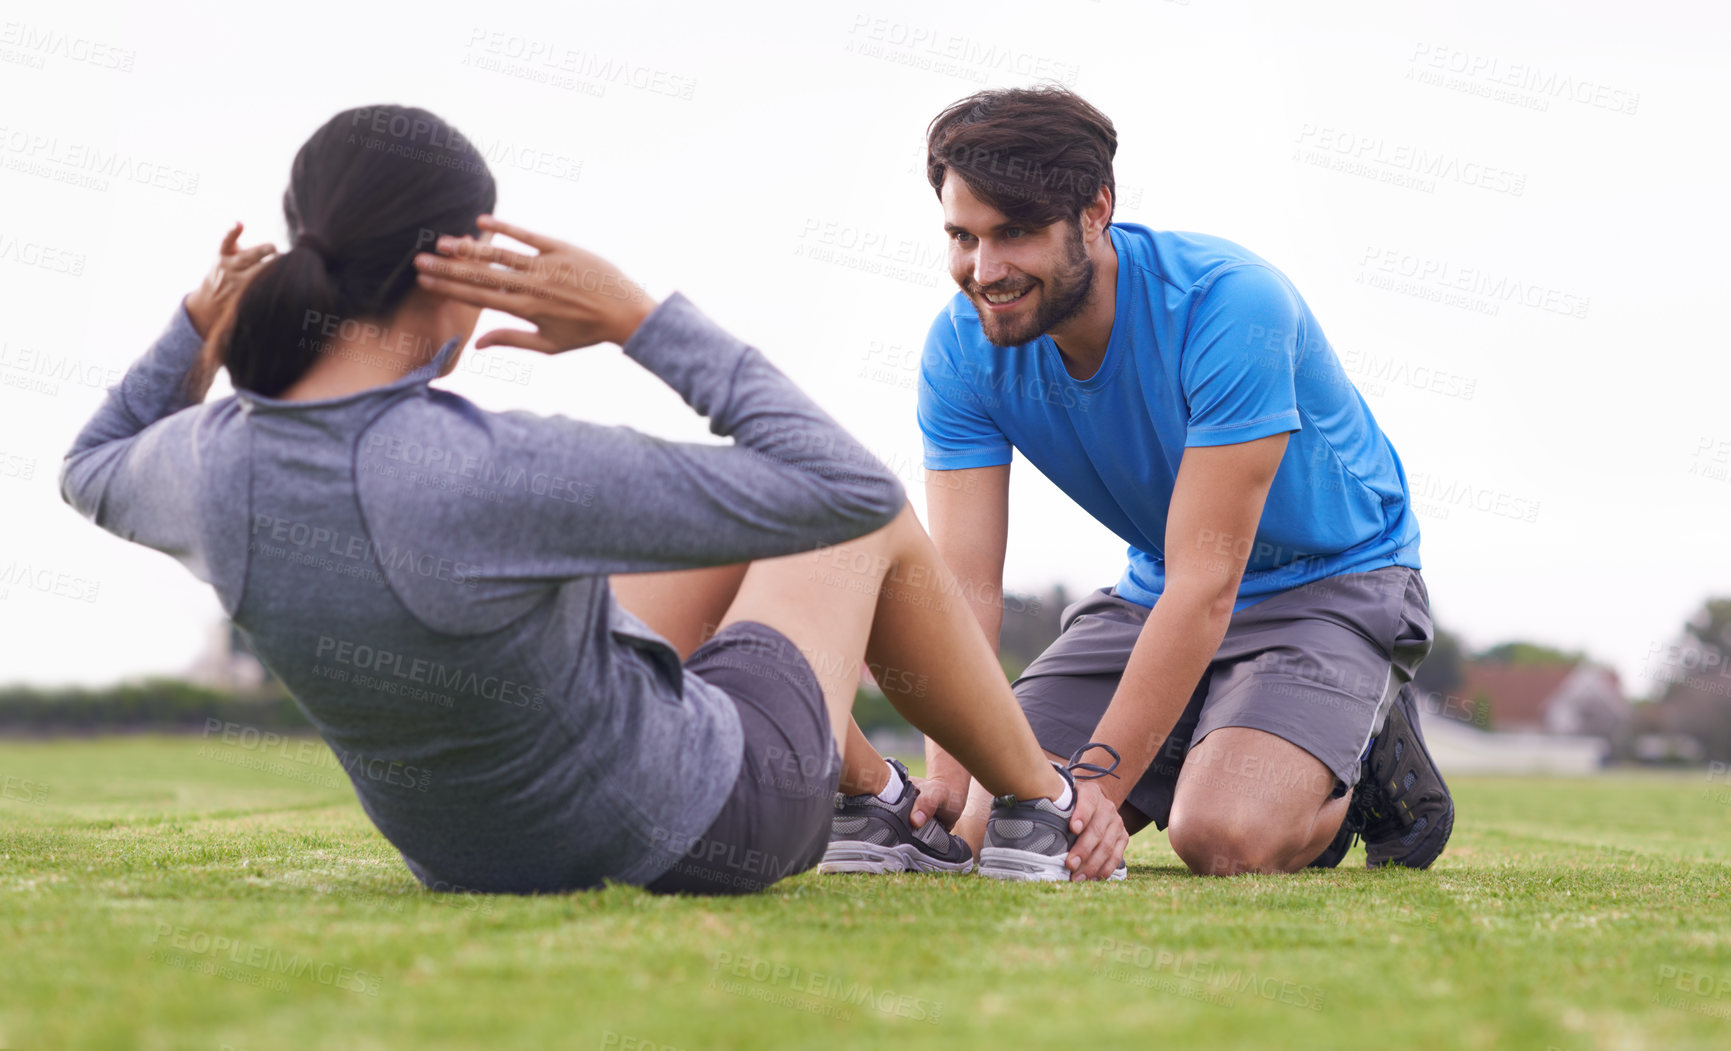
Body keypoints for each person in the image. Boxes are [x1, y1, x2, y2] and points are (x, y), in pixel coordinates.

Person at [58, 104, 1128, 895]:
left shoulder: (208, 466)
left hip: (463, 855)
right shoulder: (495, 465)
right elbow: (843, 489)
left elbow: (89, 464)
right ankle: (1041, 806)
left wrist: (192, 327)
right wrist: (637, 318)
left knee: (678, 561)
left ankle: (880, 805)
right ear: (463, 264)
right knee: (871, 527)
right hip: (706, 823)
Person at [854, 86, 1452, 876]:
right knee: (1004, 815)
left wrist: (1098, 785)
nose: (984, 269)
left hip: (1331, 585)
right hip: (1154, 594)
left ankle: (1362, 753)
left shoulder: (1230, 306)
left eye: (1016, 234)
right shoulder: (961, 348)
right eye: (963, 236)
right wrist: (951, 787)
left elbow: (1210, 580)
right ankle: (1207, 721)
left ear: (1096, 210)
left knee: (1223, 837)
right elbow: (963, 584)